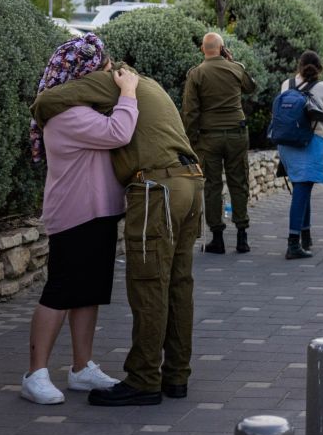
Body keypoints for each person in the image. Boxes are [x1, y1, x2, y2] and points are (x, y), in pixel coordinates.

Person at [31, 60, 205, 407]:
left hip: (158, 188)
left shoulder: (107, 82)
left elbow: (47, 102)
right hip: (190, 182)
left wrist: (43, 108)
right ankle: (176, 376)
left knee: (149, 284)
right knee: (178, 283)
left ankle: (143, 380)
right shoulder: (148, 82)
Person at [21, 35, 138, 404]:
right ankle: (35, 373)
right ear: (81, 74)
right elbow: (119, 132)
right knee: (60, 292)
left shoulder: (80, 108)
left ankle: (81, 368)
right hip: (75, 215)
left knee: (89, 293)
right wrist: (129, 92)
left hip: (98, 211)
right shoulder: (68, 115)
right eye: (103, 70)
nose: (108, 76)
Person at [182, 32, 257, 255]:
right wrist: (233, 61)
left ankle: (217, 238)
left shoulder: (196, 74)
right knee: (239, 181)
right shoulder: (235, 68)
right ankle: (242, 236)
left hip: (209, 138)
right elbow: (251, 87)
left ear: (203, 50)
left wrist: (190, 140)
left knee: (213, 185)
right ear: (223, 48)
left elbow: (190, 111)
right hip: (237, 134)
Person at [276, 50, 323, 259]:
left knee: (302, 188)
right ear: (320, 68)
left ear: (299, 66)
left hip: (286, 144)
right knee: (302, 191)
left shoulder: (287, 84)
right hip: (310, 143)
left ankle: (306, 235)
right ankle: (293, 244)